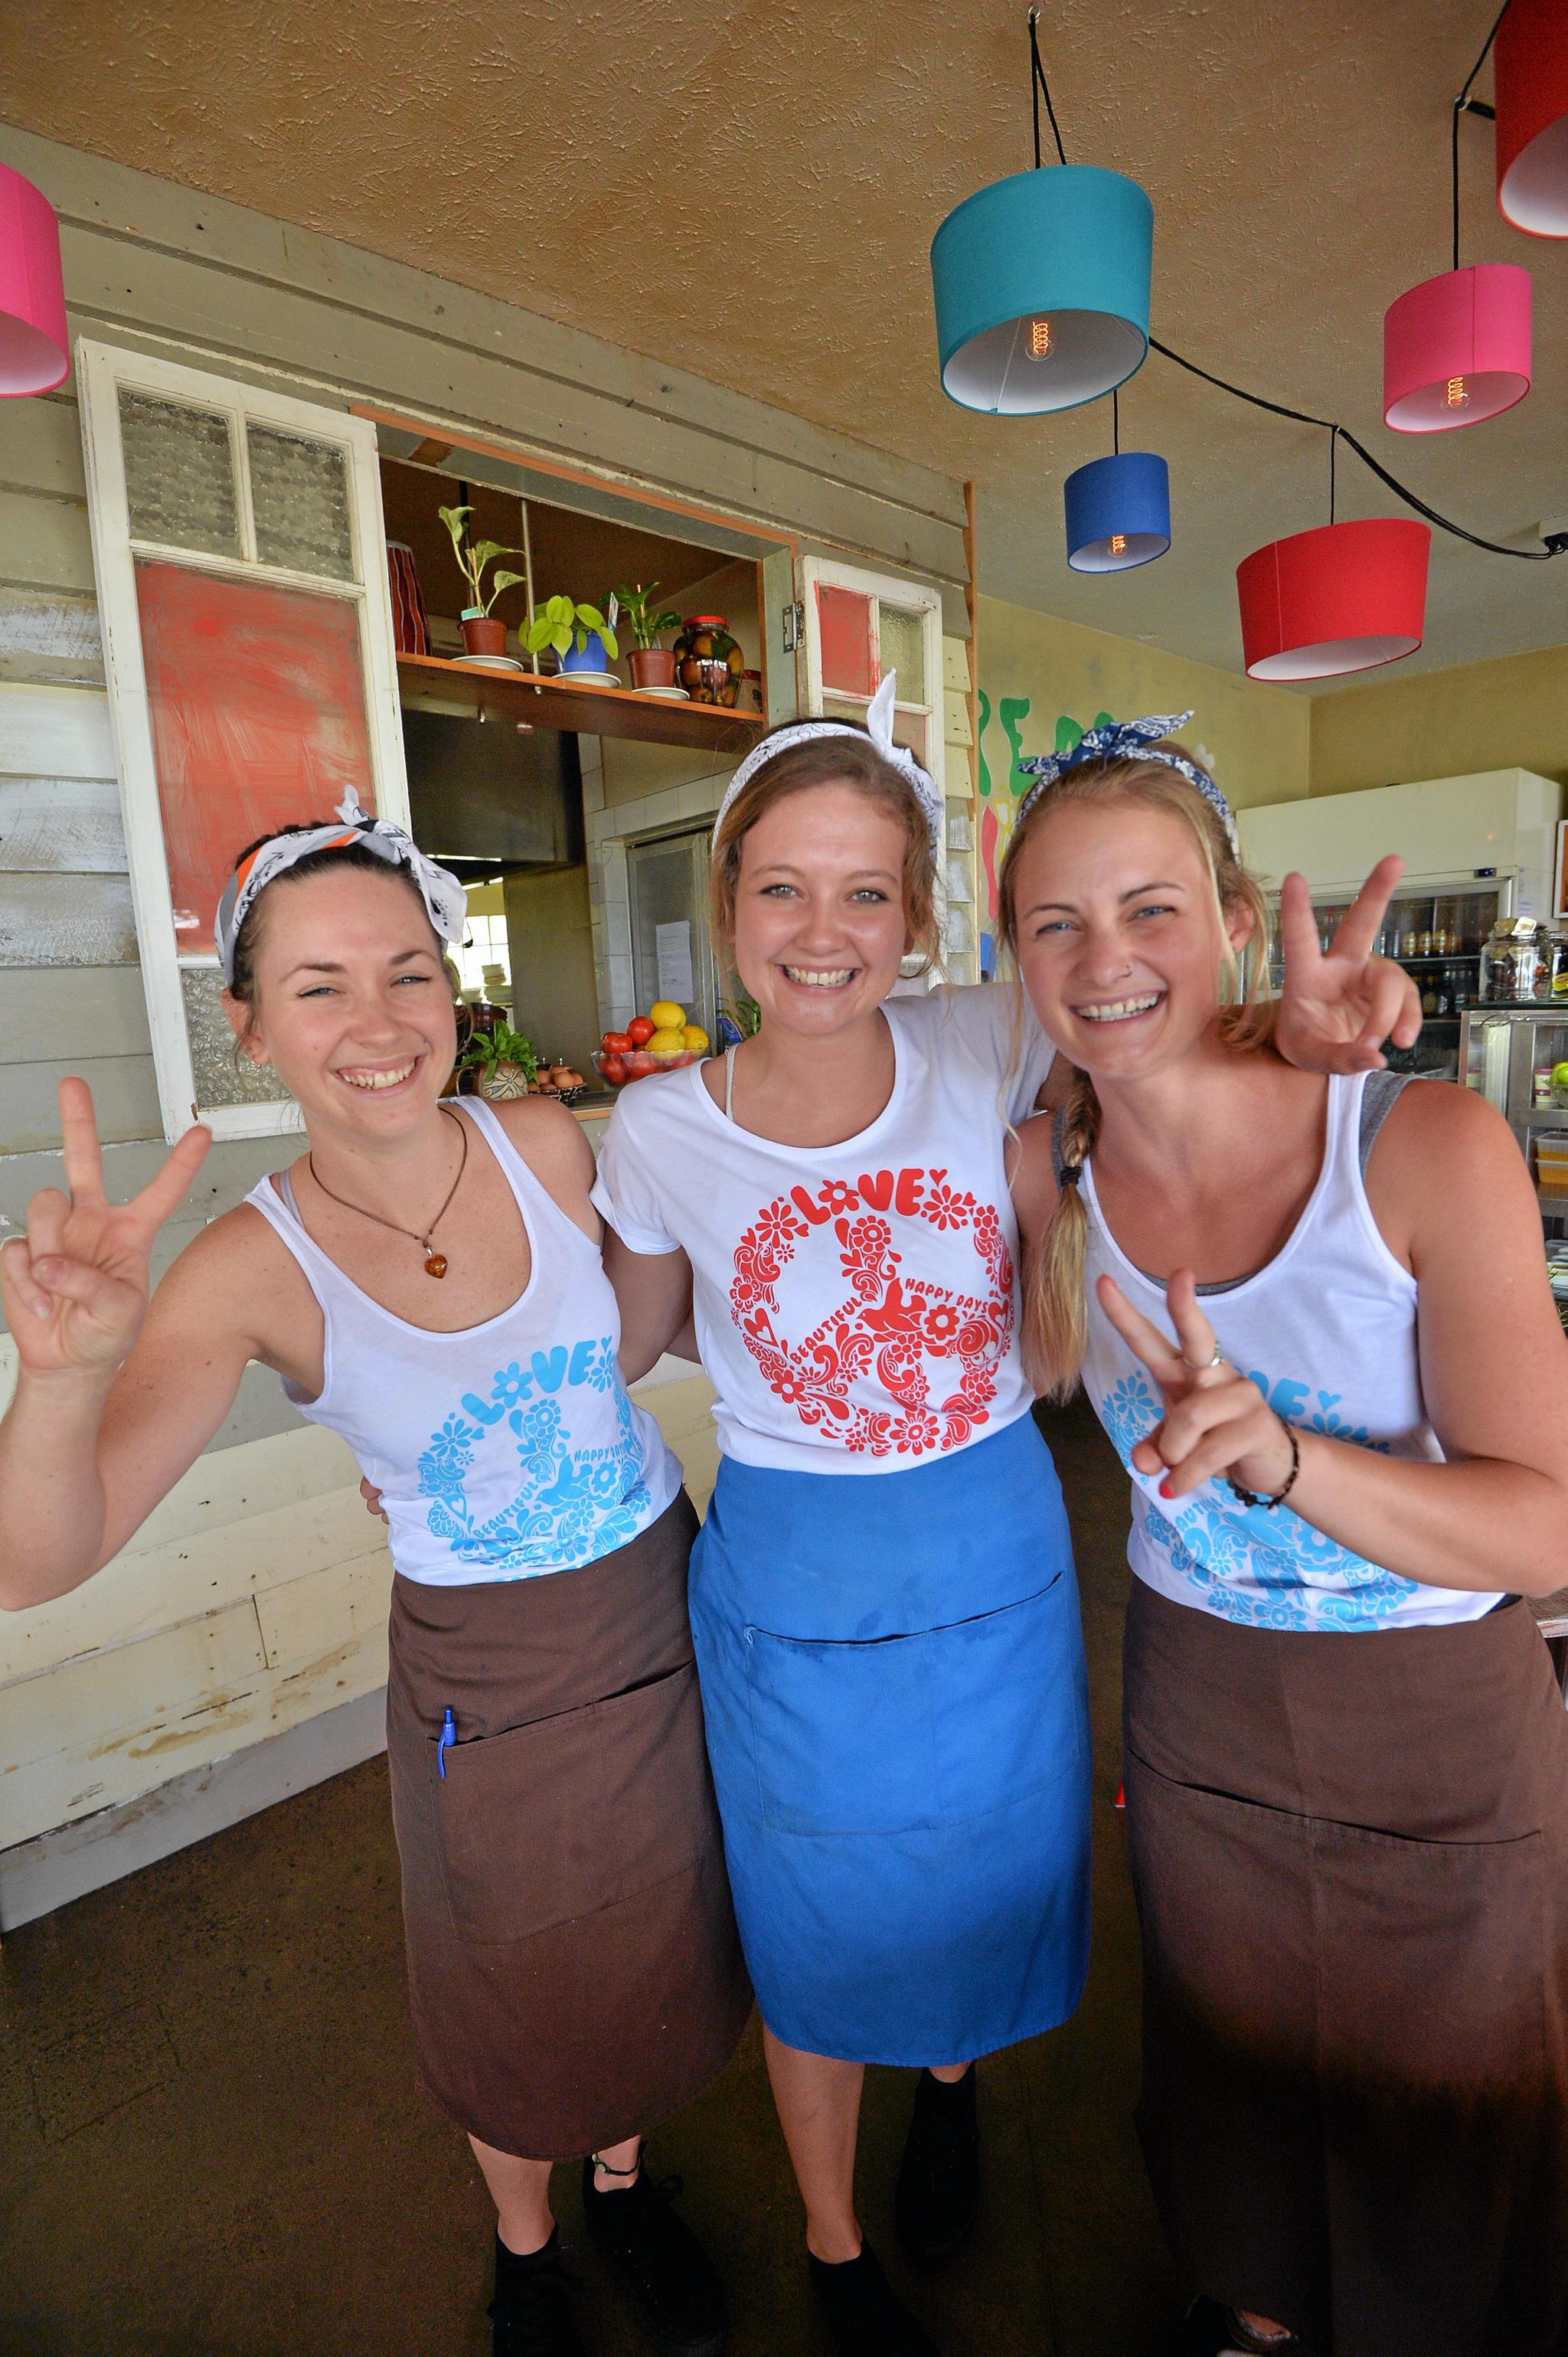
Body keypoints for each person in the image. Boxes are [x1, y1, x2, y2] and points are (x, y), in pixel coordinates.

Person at [590, 682, 1423, 2357]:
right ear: (727, 899)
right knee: (810, 1904)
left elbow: (1157, 1029)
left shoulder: (984, 1033)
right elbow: (624, 1341)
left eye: (867, 893)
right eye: (782, 888)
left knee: (982, 1865)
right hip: (793, 1561)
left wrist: (1305, 1036)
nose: (823, 933)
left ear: (916, 918)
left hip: (988, 1536)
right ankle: (832, 2247)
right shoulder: (660, 1126)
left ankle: (952, 2087)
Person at [0, 803, 750, 2357]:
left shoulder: (545, 1143)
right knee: (509, 1974)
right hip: (484, 1671)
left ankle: (624, 2186)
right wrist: (64, 1378)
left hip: (655, 1603)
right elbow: (37, 1565)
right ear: (249, 1023)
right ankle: (530, 2250)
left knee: (660, 1929)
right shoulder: (245, 1271)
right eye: (322, 985)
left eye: (409, 973)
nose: (379, 1022)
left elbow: (599, 1360)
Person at [998, 717, 1568, 2357]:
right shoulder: (1051, 1168)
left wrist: (1284, 1457)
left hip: (1435, 1729)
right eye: (1057, 923)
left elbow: (1543, 1531)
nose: (1105, 960)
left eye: (1151, 908)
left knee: (1447, 2096)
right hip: (1198, 1702)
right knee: (1229, 2068)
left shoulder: (1416, 1148)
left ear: (1237, 915)